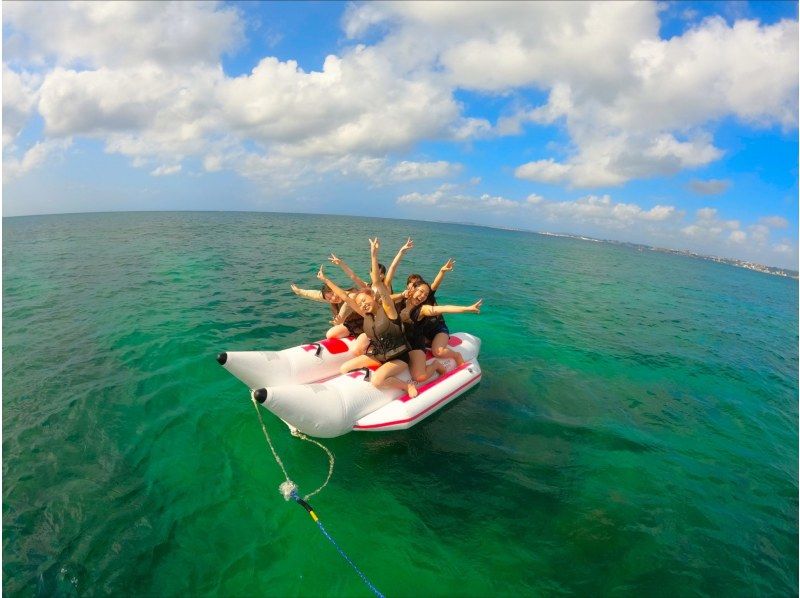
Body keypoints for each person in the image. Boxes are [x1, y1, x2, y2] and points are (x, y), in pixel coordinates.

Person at [317, 238, 422, 397]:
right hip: (378, 355)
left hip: (398, 357)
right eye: (360, 303)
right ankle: (362, 387)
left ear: (374, 298)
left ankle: (405, 385)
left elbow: (377, 283)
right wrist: (326, 280)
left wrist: (374, 254)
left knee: (378, 381)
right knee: (344, 368)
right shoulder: (366, 315)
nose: (363, 304)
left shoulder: (388, 310)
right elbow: (345, 297)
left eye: (365, 300)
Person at [400, 281, 482, 370]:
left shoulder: (423, 309)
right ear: (412, 289)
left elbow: (444, 308)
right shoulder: (400, 301)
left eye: (426, 294)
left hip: (438, 330)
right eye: (421, 291)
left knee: (438, 351)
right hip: (424, 334)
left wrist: (467, 308)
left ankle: (456, 355)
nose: (423, 295)